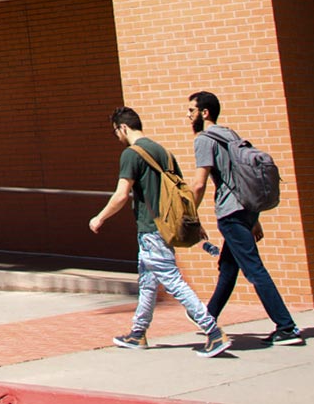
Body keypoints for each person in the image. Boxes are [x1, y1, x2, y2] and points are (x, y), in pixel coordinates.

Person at [90, 107, 230, 357]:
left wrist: (99, 217)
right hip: (166, 226)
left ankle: (213, 331)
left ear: (123, 128)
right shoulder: (164, 153)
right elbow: (182, 193)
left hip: (151, 228)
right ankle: (138, 333)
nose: (117, 137)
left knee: (172, 280)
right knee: (147, 281)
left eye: (116, 132)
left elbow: (122, 194)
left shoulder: (131, 155)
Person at [187, 91, 303, 346]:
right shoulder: (230, 134)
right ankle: (208, 316)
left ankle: (286, 327)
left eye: (191, 111)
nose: (188, 116)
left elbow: (199, 184)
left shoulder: (204, 140)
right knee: (228, 267)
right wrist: (254, 218)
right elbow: (243, 176)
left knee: (254, 269)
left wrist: (189, 216)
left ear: (204, 113)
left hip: (230, 213)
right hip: (247, 209)